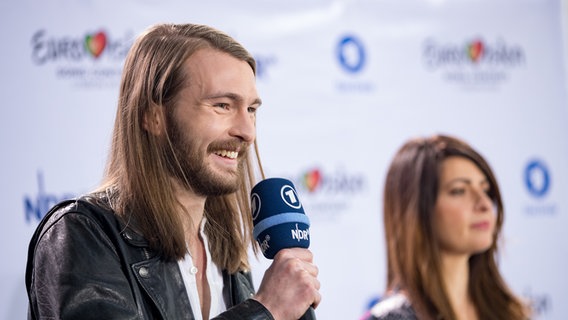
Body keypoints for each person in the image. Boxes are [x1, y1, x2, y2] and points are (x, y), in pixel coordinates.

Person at [25, 23, 320, 320]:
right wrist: (264, 310)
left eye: (251, 110)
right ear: (153, 117)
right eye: (222, 105)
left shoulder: (224, 247)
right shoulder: (81, 234)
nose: (247, 131)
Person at [362, 134, 531, 320]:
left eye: (485, 190)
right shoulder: (388, 318)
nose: (484, 204)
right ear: (417, 210)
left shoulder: (509, 311)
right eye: (459, 191)